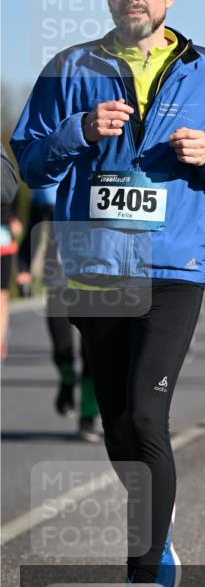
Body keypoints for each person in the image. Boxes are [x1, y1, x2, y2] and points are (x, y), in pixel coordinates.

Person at [11, 0, 205, 587]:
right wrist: (77, 130)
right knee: (120, 421)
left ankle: (143, 578)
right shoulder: (69, 66)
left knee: (148, 415)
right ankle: (156, 529)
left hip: (173, 264)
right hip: (94, 265)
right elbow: (31, 163)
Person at [16, 185, 101, 441]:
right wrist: (24, 266)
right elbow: (33, 226)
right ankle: (66, 379)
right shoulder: (48, 183)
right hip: (58, 277)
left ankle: (88, 416)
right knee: (62, 346)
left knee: (92, 353)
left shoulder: (107, 169)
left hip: (98, 278)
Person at [1, 145, 21, 360]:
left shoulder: (6, 166)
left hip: (2, 239)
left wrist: (16, 220)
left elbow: (11, 192)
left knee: (1, 297)